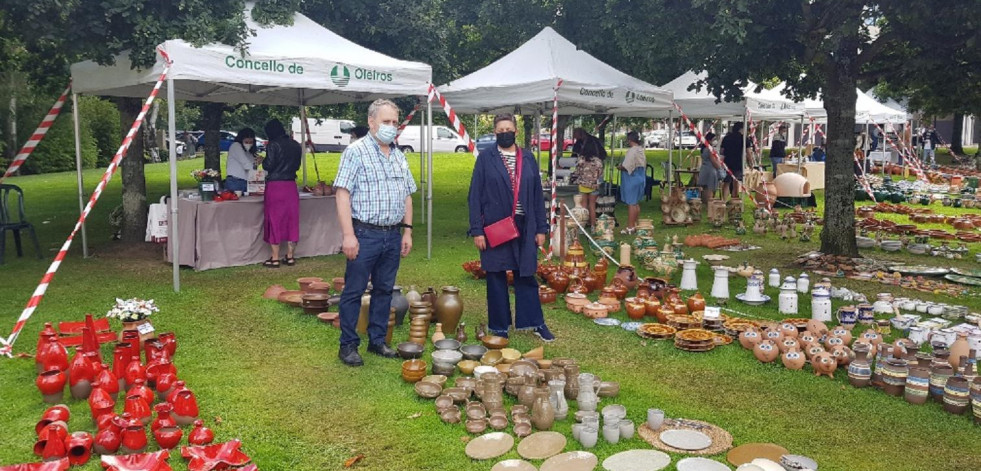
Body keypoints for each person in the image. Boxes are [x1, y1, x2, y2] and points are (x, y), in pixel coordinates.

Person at [334, 99, 416, 366]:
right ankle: (348, 346)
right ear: (371, 122)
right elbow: (342, 194)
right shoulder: (355, 152)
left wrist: (407, 231)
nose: (391, 127)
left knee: (384, 290)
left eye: (395, 122)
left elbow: (407, 196)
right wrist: (348, 235)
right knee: (354, 290)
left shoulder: (399, 155)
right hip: (364, 233)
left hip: (392, 235)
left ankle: (377, 341)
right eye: (386, 122)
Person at [468, 113, 553, 342]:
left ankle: (535, 322)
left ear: (515, 131)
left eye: (508, 128)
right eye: (500, 129)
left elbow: (536, 195)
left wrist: (541, 228)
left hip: (525, 227)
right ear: (495, 133)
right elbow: (475, 195)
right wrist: (477, 230)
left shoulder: (527, 158)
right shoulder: (486, 159)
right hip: (496, 227)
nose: (505, 132)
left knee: (525, 274)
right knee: (496, 276)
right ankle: (499, 325)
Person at [261, 119, 302, 268]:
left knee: (274, 220)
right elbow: (297, 165)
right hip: (291, 185)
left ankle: (275, 257)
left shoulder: (273, 145)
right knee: (292, 220)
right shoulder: (295, 144)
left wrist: (263, 161)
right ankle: (290, 256)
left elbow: (268, 165)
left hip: (275, 185)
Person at [571, 127, 606, 228]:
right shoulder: (598, 161)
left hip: (583, 184)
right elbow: (600, 174)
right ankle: (593, 225)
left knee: (584, 206)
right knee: (592, 205)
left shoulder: (581, 160)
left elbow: (577, 172)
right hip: (594, 185)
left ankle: (583, 225)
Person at [618, 131, 646, 234]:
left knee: (631, 203)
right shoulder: (640, 150)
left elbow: (627, 166)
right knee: (636, 203)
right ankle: (635, 225)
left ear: (630, 140)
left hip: (632, 179)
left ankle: (630, 227)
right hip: (640, 177)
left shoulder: (632, 151)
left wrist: (620, 167)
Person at [225, 128, 258, 193]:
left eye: (251, 142)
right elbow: (247, 165)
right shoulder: (236, 146)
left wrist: (256, 163)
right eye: (246, 142)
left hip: (246, 181)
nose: (249, 144)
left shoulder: (250, 152)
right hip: (235, 181)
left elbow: (252, 168)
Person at [719, 122, 746, 199]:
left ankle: (723, 200)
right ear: (741, 129)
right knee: (736, 181)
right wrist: (750, 162)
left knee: (726, 182)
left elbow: (722, 151)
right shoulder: (743, 138)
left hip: (727, 162)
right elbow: (748, 151)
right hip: (738, 162)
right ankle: (734, 200)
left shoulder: (726, 138)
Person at [696, 132, 723, 206]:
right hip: (711, 170)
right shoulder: (710, 149)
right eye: (714, 139)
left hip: (704, 168)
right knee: (710, 187)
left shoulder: (703, 148)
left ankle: (704, 202)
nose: (715, 141)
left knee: (704, 187)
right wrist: (720, 168)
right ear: (709, 140)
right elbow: (713, 160)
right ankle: (709, 203)